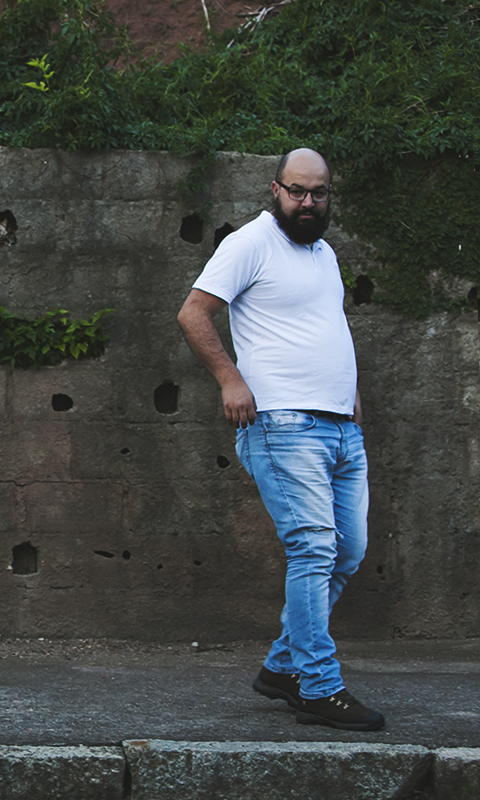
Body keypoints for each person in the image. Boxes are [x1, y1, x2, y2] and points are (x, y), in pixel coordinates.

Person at [176, 148, 384, 731]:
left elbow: (327, 325)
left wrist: (351, 394)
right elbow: (194, 313)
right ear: (275, 189)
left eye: (318, 193)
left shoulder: (325, 253)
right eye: (297, 191)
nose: (308, 202)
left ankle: (280, 668)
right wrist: (230, 379)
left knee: (347, 552)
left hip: (340, 427)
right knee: (313, 550)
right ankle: (318, 686)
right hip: (283, 425)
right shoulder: (250, 244)